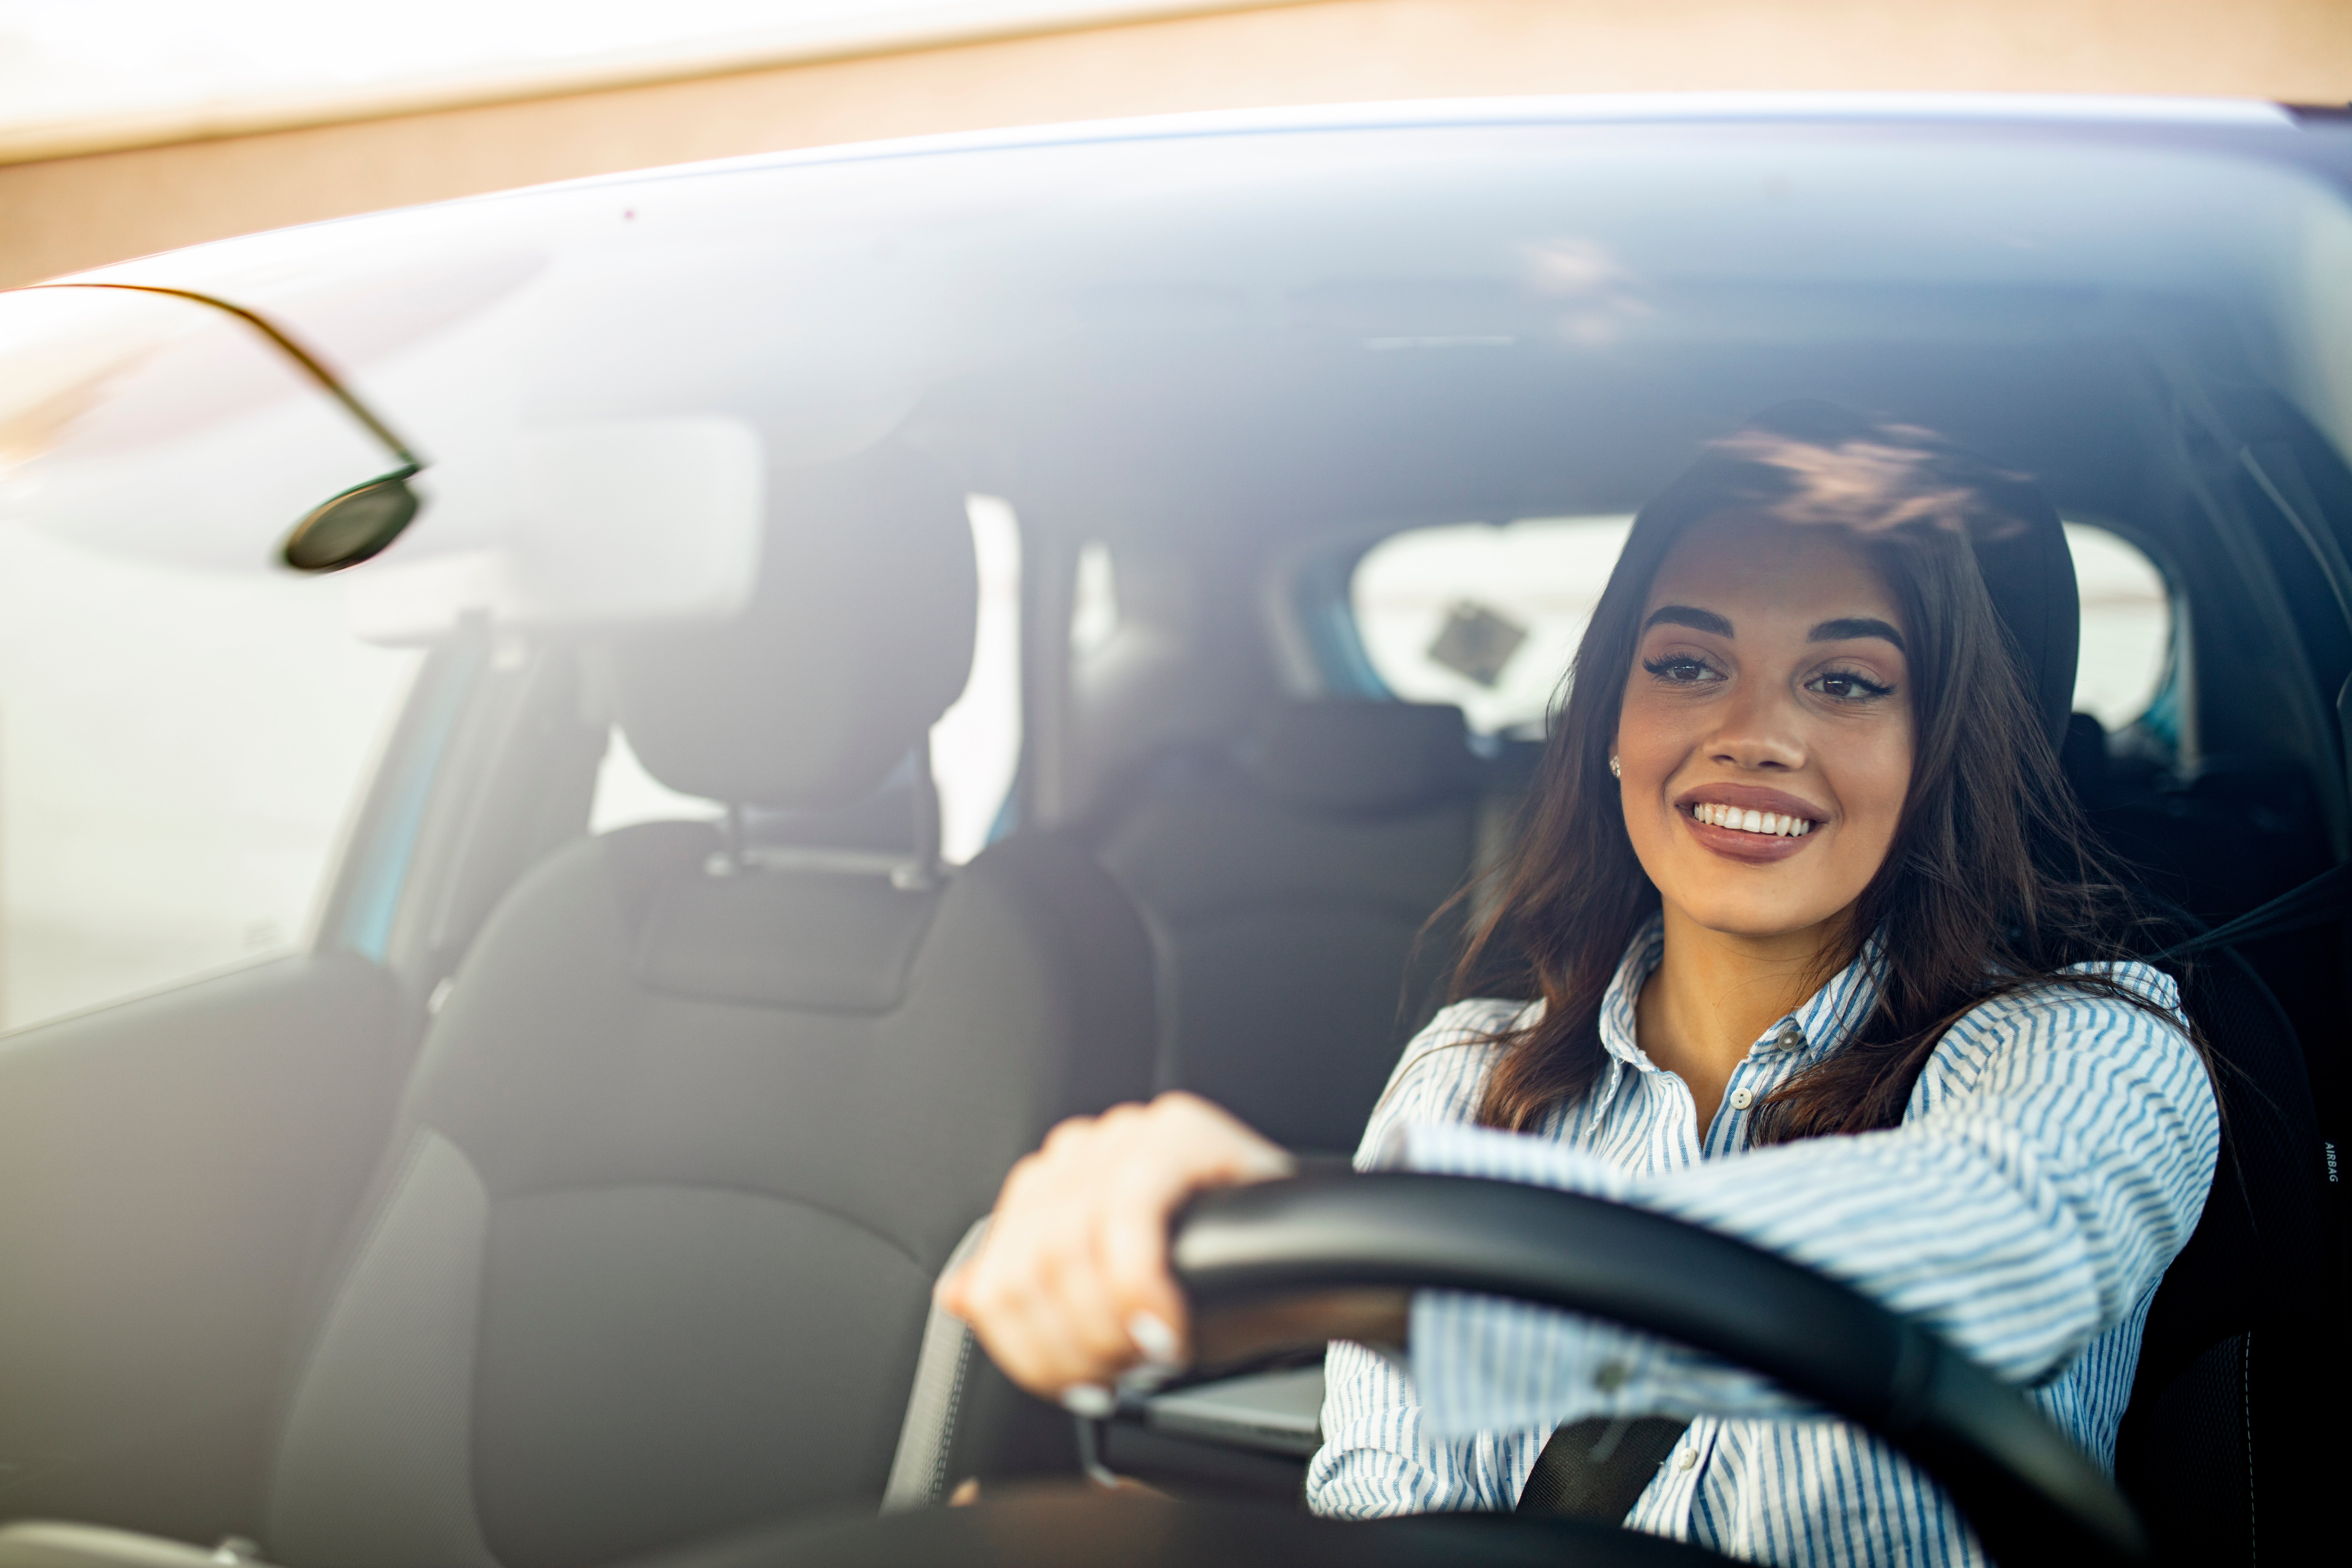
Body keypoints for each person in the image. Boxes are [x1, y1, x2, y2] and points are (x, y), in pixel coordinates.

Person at [937, 403, 2217, 1566]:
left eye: (1844, 682)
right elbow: (1387, 1512)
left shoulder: (2096, 1045)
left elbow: (2007, 1245)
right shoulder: (1466, 1072)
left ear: (1936, 745)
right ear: (1611, 721)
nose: (1754, 733)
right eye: (1687, 663)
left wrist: (1389, 1275)